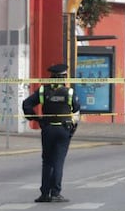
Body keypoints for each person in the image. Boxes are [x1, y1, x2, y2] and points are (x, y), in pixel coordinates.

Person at [22, 63, 81, 203]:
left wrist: (36, 119)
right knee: (58, 161)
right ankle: (55, 192)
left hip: (48, 129)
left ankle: (44, 194)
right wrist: (72, 125)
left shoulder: (43, 91)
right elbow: (76, 109)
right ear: (63, 77)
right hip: (63, 130)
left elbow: (26, 104)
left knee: (47, 162)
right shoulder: (69, 92)